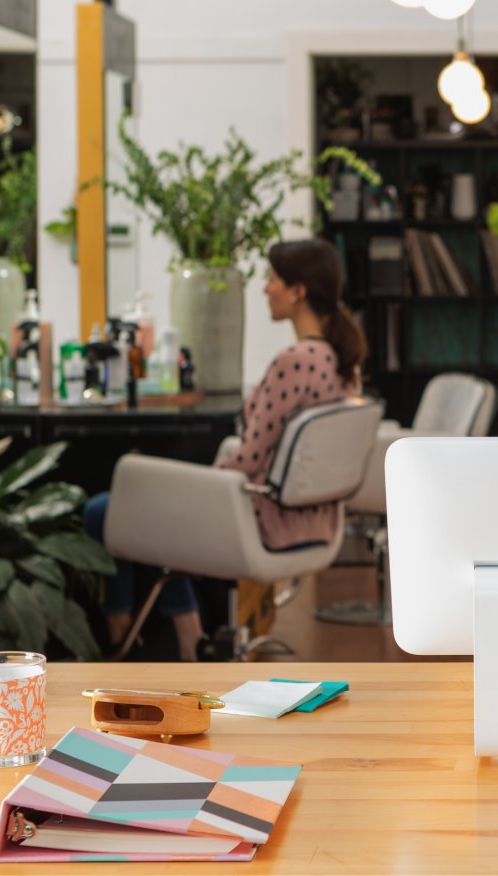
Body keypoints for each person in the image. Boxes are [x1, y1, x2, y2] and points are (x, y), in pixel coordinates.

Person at [86, 238, 365, 659]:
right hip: (316, 524)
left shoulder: (296, 360)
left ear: (298, 291)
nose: (265, 288)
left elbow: (249, 458)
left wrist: (203, 484)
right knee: (152, 510)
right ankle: (184, 627)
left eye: (273, 279)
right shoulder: (344, 362)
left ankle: (122, 626)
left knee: (104, 508)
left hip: (262, 521)